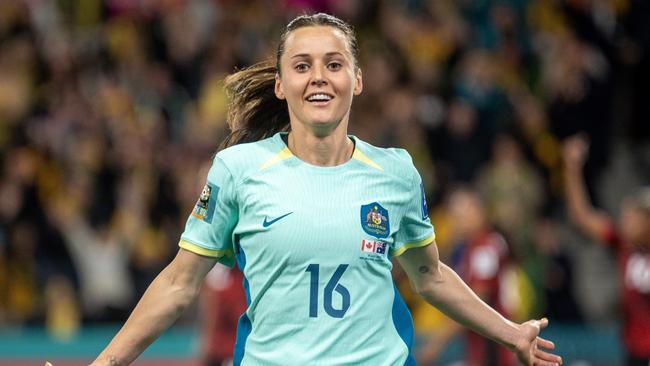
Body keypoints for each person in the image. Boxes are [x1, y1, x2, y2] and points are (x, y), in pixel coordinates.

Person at [78, 13, 561, 366]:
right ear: (281, 85)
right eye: (302, 65)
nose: (319, 77)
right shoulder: (237, 170)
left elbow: (430, 276)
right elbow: (178, 283)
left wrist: (511, 333)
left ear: (357, 79)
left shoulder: (395, 172)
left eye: (333, 64)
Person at [563, 135, 650, 366]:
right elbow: (581, 216)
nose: (626, 221)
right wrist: (571, 168)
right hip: (634, 349)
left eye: (634, 216)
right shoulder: (624, 243)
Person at [417, 187, 517, 366]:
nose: (457, 220)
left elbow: (475, 300)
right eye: (454, 214)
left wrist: (436, 345)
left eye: (463, 212)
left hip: (494, 350)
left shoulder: (487, 247)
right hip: (480, 349)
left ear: (480, 212)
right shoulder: (468, 250)